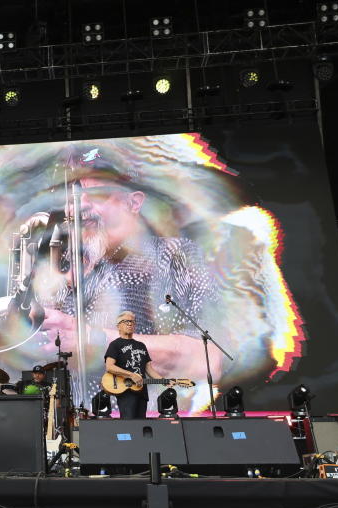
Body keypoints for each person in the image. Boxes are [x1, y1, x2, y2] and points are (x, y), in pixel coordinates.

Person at [37, 147, 219, 388]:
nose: (78, 208)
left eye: (98, 194)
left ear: (133, 203)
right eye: (74, 196)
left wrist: (95, 340)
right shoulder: (65, 265)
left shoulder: (175, 254)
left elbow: (208, 361)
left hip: (145, 418)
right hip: (68, 419)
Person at [104, 311, 170, 419]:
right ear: (118, 326)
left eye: (132, 322)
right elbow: (109, 366)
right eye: (126, 321)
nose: (130, 324)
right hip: (126, 392)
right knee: (129, 425)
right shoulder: (115, 345)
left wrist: (164, 381)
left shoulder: (141, 345)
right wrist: (131, 375)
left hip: (142, 392)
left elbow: (149, 369)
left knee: (141, 426)